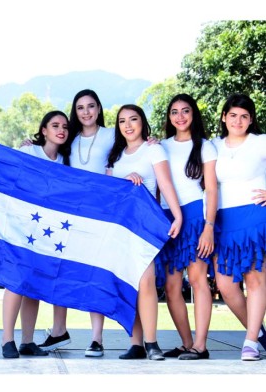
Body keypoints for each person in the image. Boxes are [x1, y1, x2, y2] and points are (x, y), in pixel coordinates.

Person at [37, 89, 115, 357]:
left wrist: (150, 141)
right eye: (80, 107)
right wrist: (30, 143)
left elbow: (132, 146)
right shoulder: (68, 140)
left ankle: (96, 338)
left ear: (99, 108)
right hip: (69, 215)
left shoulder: (111, 134)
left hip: (100, 214)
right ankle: (59, 331)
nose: (86, 112)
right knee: (62, 270)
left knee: (95, 274)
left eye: (91, 106)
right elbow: (48, 152)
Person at [106, 104, 182, 361]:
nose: (128, 125)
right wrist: (124, 180)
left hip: (145, 224)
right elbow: (109, 191)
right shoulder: (115, 156)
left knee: (146, 280)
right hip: (120, 227)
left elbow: (166, 183)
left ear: (143, 122)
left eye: (133, 119)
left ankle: (152, 343)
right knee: (129, 284)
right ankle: (135, 343)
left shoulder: (153, 148)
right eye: (122, 121)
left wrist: (177, 215)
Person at [2, 110, 70, 358]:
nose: (60, 130)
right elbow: (9, 176)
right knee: (16, 280)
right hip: (23, 226)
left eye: (64, 126)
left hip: (48, 231)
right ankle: (6, 339)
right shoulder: (29, 152)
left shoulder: (65, 161)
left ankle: (27, 341)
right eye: (55, 125)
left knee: (34, 285)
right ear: (44, 130)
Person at [157, 94, 218, 360]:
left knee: (196, 280)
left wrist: (208, 227)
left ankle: (201, 345)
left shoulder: (205, 146)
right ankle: (186, 342)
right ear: (169, 117)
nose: (179, 116)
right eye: (174, 112)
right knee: (171, 287)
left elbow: (213, 189)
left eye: (185, 111)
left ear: (193, 114)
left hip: (195, 217)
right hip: (168, 219)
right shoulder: (160, 146)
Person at [211, 93, 266, 361]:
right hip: (224, 221)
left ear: (251, 119)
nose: (238, 120)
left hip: (255, 217)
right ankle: (259, 334)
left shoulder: (261, 142)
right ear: (224, 117)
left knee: (254, 279)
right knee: (225, 284)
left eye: (244, 116)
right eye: (233, 115)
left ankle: (250, 342)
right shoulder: (212, 145)